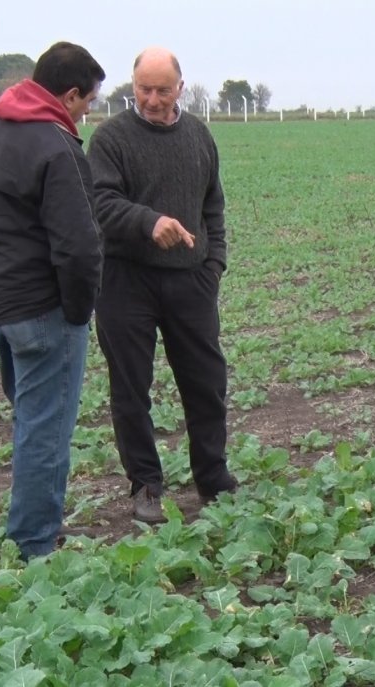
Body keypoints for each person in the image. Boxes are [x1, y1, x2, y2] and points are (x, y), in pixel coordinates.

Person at [0, 42, 105, 559]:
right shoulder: (56, 147)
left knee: (30, 418)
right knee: (46, 426)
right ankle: (34, 543)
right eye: (87, 101)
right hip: (43, 311)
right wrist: (79, 311)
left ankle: (37, 526)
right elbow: (80, 247)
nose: (87, 111)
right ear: (68, 95)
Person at [87, 46, 235, 523]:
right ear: (133, 87)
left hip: (191, 281)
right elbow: (100, 203)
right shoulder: (110, 139)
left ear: (180, 88)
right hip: (125, 280)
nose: (152, 99)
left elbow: (213, 207)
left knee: (207, 383)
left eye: (162, 90)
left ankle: (213, 479)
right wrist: (147, 222)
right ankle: (146, 486)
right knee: (131, 390)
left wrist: (213, 266)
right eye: (143, 89)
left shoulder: (198, 136)